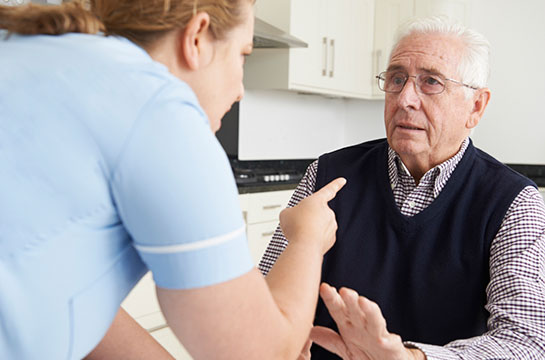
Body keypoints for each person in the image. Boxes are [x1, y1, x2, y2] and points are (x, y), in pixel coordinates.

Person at [0, 1, 347, 359]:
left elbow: (71, 298)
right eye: (242, 55)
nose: (241, 89)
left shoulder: (37, 52)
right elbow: (261, 354)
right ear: (196, 37)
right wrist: (306, 238)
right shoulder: (160, 111)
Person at [259, 16, 545, 360]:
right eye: (396, 79)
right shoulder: (327, 177)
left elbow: (527, 341)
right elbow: (263, 302)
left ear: (476, 106)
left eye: (431, 82)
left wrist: (410, 358)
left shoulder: (513, 203)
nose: (405, 98)